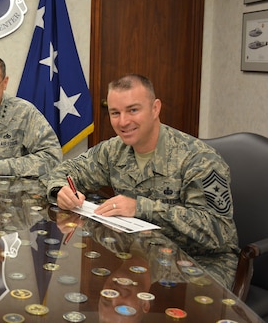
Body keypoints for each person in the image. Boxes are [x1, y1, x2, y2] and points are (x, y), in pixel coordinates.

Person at [45, 74, 239, 288]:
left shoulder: (199, 159)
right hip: (141, 255)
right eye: (115, 113)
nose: (123, 122)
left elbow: (219, 230)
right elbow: (66, 170)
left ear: (155, 109)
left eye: (133, 110)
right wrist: (60, 190)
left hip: (200, 263)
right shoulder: (113, 150)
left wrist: (141, 208)